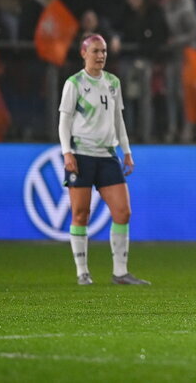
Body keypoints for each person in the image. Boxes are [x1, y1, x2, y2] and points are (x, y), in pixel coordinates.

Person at [59, 34, 149, 286]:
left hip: (107, 155)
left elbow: (118, 120)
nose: (100, 56)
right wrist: (67, 152)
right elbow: (64, 121)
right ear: (83, 53)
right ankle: (82, 272)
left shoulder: (112, 82)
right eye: (96, 51)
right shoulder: (74, 83)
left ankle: (120, 272)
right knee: (80, 213)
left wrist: (127, 150)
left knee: (122, 212)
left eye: (104, 51)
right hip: (82, 154)